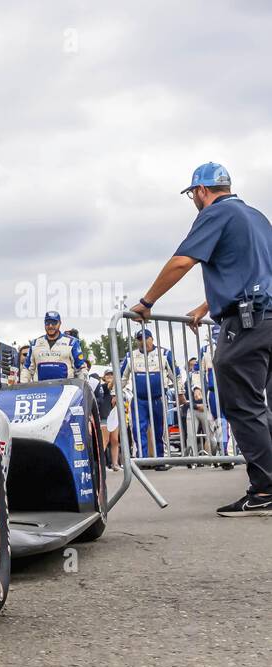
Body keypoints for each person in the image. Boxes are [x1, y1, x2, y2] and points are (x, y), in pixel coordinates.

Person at [129, 162, 272, 513]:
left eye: (193, 193)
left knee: (243, 405)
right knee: (265, 407)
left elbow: (181, 262)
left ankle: (266, 490)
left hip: (247, 323)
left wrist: (148, 302)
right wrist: (207, 304)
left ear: (201, 191)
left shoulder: (215, 214)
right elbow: (254, 269)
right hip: (267, 314)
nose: (194, 199)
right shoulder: (256, 217)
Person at [120, 328, 178, 466]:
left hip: (158, 399)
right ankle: (142, 460)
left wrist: (180, 392)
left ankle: (160, 460)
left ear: (152, 339)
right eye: (140, 339)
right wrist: (115, 394)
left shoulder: (164, 353)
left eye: (146, 338)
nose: (143, 342)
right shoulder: (130, 356)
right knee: (138, 430)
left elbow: (176, 375)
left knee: (160, 431)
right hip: (139, 400)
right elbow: (122, 378)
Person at [24, 311, 88, 381]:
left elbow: (80, 369)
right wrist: (22, 388)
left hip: (66, 389)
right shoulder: (35, 343)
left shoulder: (72, 342)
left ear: (60, 323)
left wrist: (83, 386)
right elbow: (27, 370)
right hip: (40, 389)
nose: (50, 326)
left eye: (54, 322)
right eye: (47, 322)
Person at [95, 368, 123, 471]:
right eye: (108, 375)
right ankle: (100, 465)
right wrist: (115, 378)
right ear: (104, 377)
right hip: (104, 417)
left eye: (112, 375)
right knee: (104, 441)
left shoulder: (118, 390)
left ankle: (115, 464)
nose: (110, 376)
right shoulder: (103, 387)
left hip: (114, 417)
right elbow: (110, 386)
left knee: (115, 441)